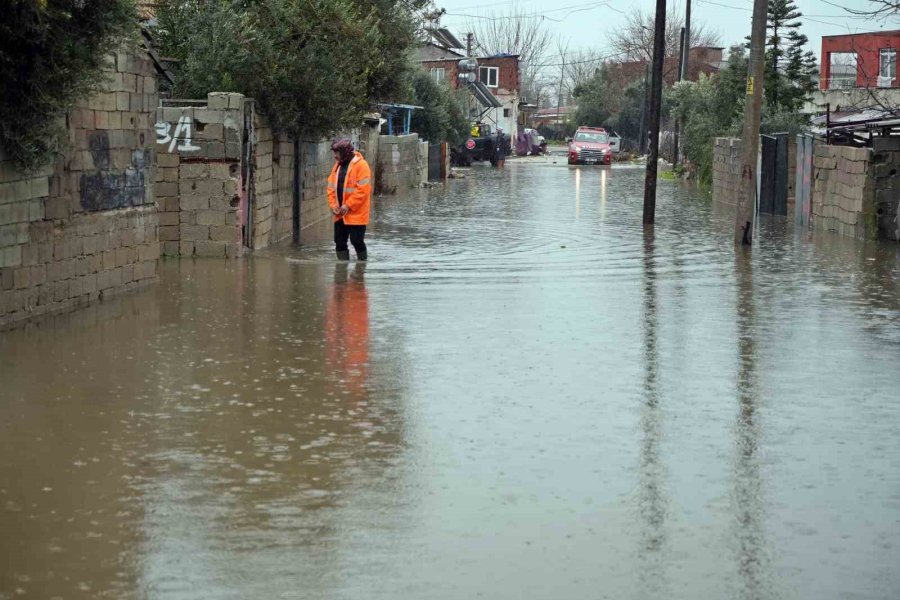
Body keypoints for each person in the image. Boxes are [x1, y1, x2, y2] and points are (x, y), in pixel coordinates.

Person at [327, 138, 372, 261]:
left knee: (356, 241)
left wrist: (348, 205)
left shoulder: (362, 165)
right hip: (340, 213)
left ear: (345, 152)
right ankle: (341, 272)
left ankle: (362, 266)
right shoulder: (337, 166)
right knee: (339, 242)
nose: (335, 156)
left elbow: (363, 190)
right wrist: (333, 205)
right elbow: (330, 188)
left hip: (356, 213)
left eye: (337, 152)